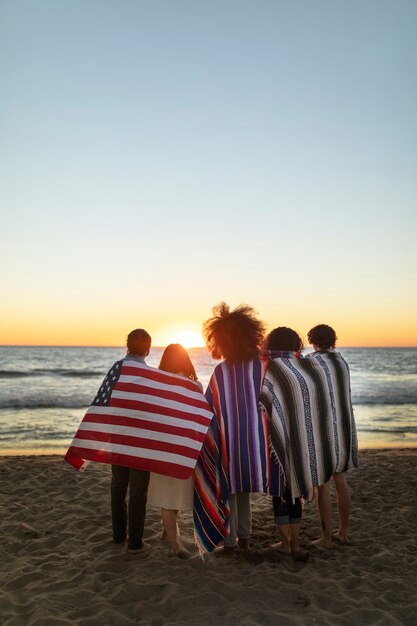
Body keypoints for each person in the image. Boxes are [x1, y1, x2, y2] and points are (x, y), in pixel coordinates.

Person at [200, 303, 283, 557]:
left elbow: (208, 408)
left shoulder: (219, 372)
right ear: (251, 335)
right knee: (242, 491)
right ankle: (244, 538)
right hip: (255, 444)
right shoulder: (262, 368)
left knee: (230, 490)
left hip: (228, 443)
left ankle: (231, 542)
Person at [92, 328, 152, 554]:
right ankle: (134, 542)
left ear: (127, 346)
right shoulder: (150, 375)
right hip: (140, 441)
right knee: (138, 491)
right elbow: (152, 409)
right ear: (147, 348)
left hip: (118, 436)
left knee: (118, 487)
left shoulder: (116, 368)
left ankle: (118, 536)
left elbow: (104, 399)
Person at [147, 344, 203, 558]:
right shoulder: (195, 385)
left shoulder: (156, 384)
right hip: (185, 448)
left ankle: (173, 543)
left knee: (166, 496)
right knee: (177, 493)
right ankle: (171, 538)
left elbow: (151, 415)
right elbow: (201, 418)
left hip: (162, 446)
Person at [306, 324, 358, 547]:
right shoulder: (342, 361)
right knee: (340, 480)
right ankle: (343, 533)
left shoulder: (310, 361)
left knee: (322, 484)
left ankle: (326, 538)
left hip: (323, 428)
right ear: (333, 340)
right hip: (345, 427)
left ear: (313, 340)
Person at [262, 327, 308, 560]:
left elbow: (262, 401)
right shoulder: (302, 368)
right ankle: (297, 543)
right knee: (295, 491)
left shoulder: (268, 368)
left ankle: (284, 543)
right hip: (299, 438)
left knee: (279, 492)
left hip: (274, 440)